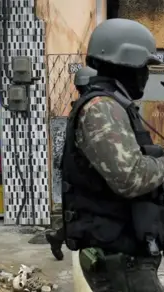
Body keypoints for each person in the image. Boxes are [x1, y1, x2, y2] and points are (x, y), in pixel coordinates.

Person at [60, 18, 164, 292]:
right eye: (144, 66)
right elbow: (131, 178)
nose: (146, 74)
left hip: (127, 249)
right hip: (117, 255)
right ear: (128, 63)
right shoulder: (101, 108)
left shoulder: (117, 107)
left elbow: (120, 185)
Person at [45, 66, 98, 261]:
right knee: (84, 213)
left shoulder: (79, 106)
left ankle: (57, 237)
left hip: (75, 169)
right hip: (79, 171)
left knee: (79, 213)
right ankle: (59, 237)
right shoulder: (87, 108)